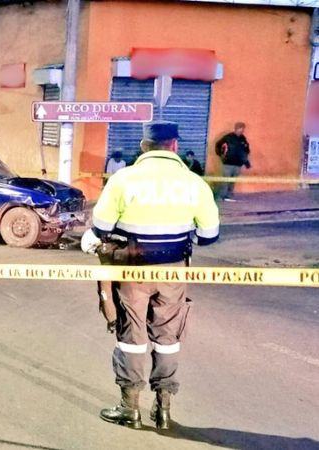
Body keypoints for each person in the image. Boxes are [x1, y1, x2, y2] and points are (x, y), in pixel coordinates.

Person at [82, 121, 219, 430]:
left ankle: (130, 408)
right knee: (167, 338)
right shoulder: (194, 183)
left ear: (144, 146)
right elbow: (209, 235)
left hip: (132, 269)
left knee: (132, 337)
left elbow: (100, 228)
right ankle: (164, 409)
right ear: (174, 146)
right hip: (173, 270)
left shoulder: (123, 179)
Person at [215, 122, 251, 202]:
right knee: (225, 180)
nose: (242, 131)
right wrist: (221, 155)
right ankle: (221, 196)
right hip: (228, 163)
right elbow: (218, 144)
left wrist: (245, 161)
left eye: (243, 129)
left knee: (232, 181)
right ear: (236, 129)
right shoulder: (228, 137)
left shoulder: (243, 139)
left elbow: (246, 149)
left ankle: (228, 196)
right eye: (240, 129)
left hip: (238, 164)